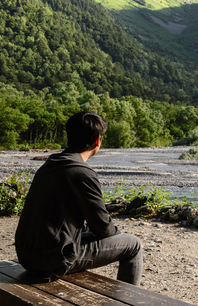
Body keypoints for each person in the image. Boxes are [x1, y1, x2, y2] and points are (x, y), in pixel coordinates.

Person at [14, 112, 143, 285]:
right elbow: (103, 228)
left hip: (27, 256)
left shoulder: (50, 165)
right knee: (133, 245)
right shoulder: (81, 172)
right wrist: (115, 235)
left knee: (86, 234)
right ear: (97, 141)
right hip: (51, 262)